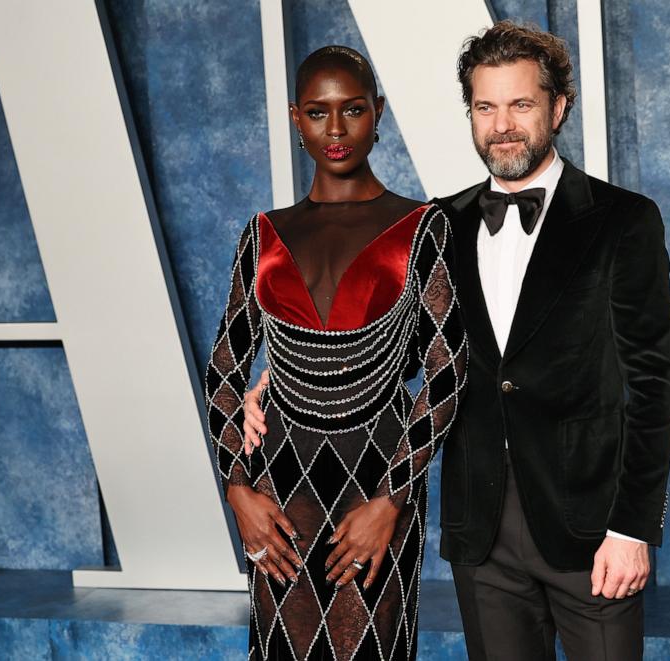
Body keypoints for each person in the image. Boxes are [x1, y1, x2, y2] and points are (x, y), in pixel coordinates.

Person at [243, 22, 670, 661]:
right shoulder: (437, 224)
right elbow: (388, 343)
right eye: (486, 107)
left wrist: (632, 527)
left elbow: (654, 385)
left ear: (559, 108)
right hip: (479, 531)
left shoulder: (624, 221)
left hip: (591, 530)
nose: (502, 124)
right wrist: (270, 383)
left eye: (521, 104)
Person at [204, 46, 468, 660]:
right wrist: (236, 489)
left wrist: (391, 499)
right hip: (278, 487)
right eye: (319, 114)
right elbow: (225, 365)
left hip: (377, 476)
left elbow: (448, 372)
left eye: (352, 110)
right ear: (296, 119)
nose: (337, 129)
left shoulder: (421, 226)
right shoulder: (264, 234)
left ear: (377, 112)